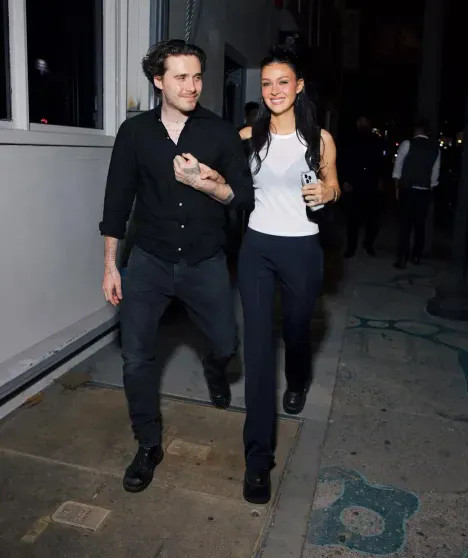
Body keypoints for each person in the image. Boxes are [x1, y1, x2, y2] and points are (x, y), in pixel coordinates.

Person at [99, 39, 253, 493]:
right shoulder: (135, 133)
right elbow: (116, 202)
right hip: (149, 261)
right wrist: (111, 265)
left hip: (205, 261)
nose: (192, 86)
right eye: (181, 77)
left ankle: (214, 367)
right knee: (135, 358)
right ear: (158, 81)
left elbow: (243, 196)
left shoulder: (220, 133)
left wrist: (207, 184)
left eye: (197, 76)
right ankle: (148, 444)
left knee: (225, 342)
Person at [235, 47, 340, 503]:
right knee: (258, 351)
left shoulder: (318, 139)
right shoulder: (247, 137)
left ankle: (297, 380)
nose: (274, 90)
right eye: (266, 83)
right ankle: (258, 461)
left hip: (302, 249)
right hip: (256, 249)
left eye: (283, 82)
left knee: (296, 331)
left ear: (298, 87)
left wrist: (328, 192)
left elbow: (334, 184)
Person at [392, 119, 441, 268]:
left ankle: (403, 257)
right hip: (424, 191)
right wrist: (431, 186)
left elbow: (398, 165)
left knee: (405, 225)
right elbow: (435, 172)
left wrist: (397, 184)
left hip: (408, 189)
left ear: (417, 130)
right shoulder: (435, 148)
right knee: (420, 226)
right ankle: (416, 256)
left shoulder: (408, 144)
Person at [341, 116, 384, 258]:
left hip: (370, 182)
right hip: (355, 182)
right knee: (353, 219)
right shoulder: (351, 139)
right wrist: (345, 180)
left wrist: (380, 179)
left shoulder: (375, 140)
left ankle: (368, 244)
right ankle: (351, 247)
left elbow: (380, 162)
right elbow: (345, 159)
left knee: (372, 219)